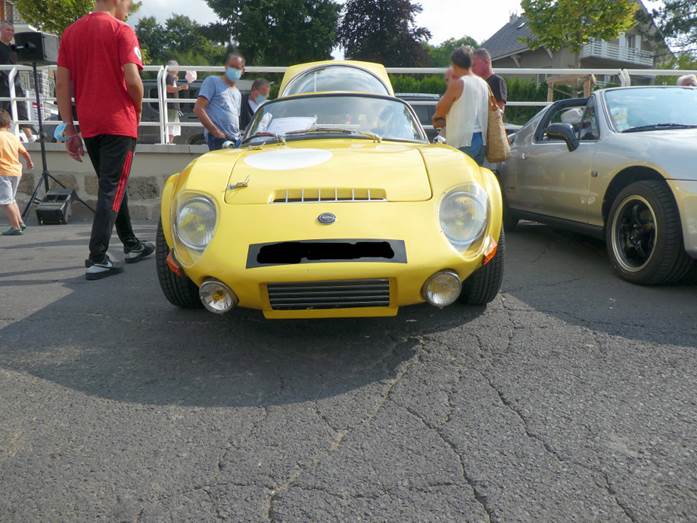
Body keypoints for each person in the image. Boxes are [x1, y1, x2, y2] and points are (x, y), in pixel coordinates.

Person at [56, 0, 154, 281]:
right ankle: (97, 257)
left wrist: (69, 128)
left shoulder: (71, 32)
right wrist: (137, 109)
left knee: (112, 185)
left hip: (90, 124)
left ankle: (131, 244)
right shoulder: (122, 30)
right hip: (118, 122)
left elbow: (62, 84)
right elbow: (133, 80)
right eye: (128, 2)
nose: (130, 7)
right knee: (112, 187)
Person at [433, 46, 490, 165]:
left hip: (462, 140)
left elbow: (441, 109)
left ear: (454, 64)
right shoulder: (483, 83)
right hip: (481, 140)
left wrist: (437, 118)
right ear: (471, 62)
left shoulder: (459, 84)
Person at [194, 54, 245, 150]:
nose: (234, 70)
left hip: (235, 140)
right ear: (225, 67)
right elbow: (198, 108)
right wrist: (216, 132)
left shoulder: (238, 93)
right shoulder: (212, 81)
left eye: (237, 68)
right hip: (219, 139)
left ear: (243, 70)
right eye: (231, 66)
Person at [0, 110, 32, 235]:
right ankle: (20, 222)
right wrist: (29, 162)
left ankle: (15, 227)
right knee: (11, 199)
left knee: (5, 202)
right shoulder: (13, 137)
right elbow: (24, 152)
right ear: (9, 124)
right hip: (15, 171)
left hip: (2, 172)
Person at [0, 21, 33, 142]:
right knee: (2, 113)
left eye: (12, 30)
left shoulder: (14, 48)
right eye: (8, 30)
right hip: (1, 86)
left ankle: (31, 138)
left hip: (15, 85)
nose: (11, 32)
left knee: (21, 111)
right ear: (1, 31)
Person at [165, 60, 189, 144]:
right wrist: (181, 87)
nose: (178, 69)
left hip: (172, 106)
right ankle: (169, 142)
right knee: (172, 125)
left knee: (173, 125)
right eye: (177, 67)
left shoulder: (170, 77)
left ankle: (169, 142)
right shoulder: (169, 77)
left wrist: (176, 81)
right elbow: (168, 89)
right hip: (171, 106)